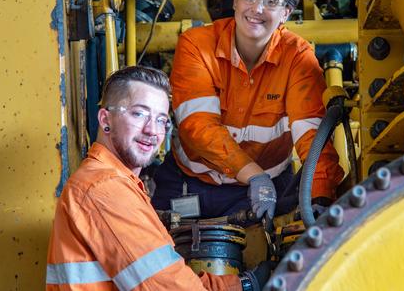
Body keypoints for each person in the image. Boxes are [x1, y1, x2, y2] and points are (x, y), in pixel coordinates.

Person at [152, 0, 345, 221]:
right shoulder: (197, 45)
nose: (257, 8)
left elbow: (311, 135)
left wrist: (320, 195)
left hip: (271, 189)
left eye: (270, 0)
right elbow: (198, 126)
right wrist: (254, 174)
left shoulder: (298, 58)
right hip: (189, 182)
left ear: (286, 12)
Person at [46, 66, 267, 290]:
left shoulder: (120, 186)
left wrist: (242, 283)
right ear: (106, 120)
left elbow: (168, 277)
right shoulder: (104, 187)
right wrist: (249, 285)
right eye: (139, 113)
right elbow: (167, 287)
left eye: (161, 120)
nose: (152, 130)